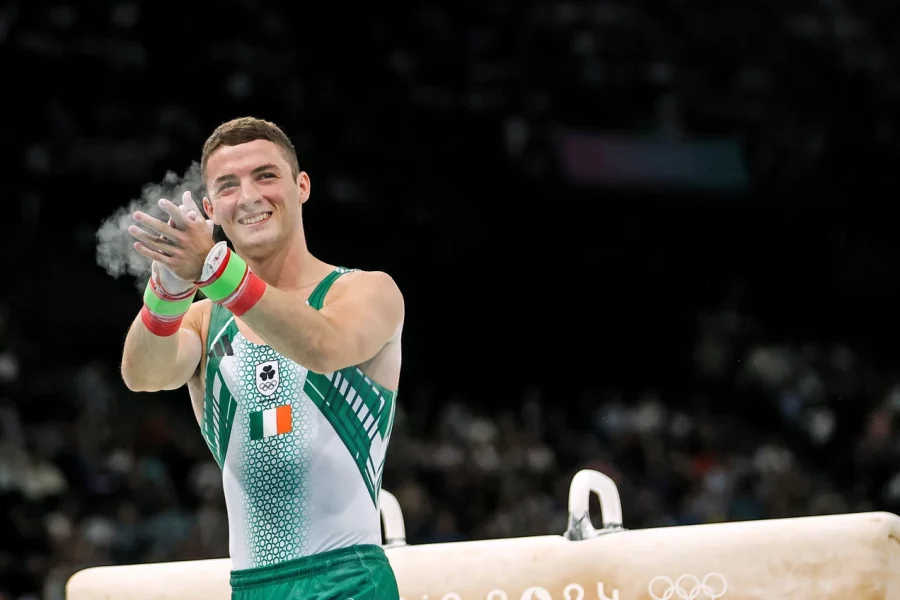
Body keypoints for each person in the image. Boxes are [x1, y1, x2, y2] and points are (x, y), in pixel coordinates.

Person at [120, 117, 404, 600]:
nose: (248, 196)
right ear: (210, 208)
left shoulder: (365, 291)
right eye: (228, 185)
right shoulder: (205, 319)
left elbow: (323, 346)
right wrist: (168, 292)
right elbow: (143, 374)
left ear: (302, 186)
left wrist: (215, 267)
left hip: (349, 581)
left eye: (265, 176)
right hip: (250, 589)